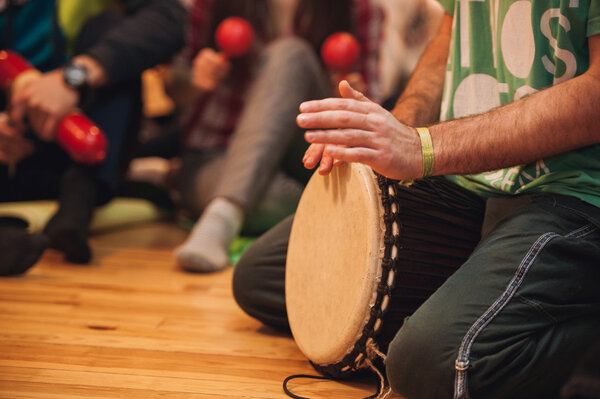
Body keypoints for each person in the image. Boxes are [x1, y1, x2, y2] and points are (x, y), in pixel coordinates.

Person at [232, 1, 600, 398]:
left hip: (569, 190)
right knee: (269, 276)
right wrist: (390, 130)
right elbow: (449, 38)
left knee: (428, 365)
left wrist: (424, 146)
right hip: (469, 178)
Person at [159, 0, 381, 273]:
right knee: (278, 201)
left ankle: (221, 212)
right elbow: (172, 86)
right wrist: (194, 79)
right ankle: (225, 210)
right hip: (214, 157)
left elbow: (375, 109)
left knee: (291, 53)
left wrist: (354, 99)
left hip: (308, 158)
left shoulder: (359, 7)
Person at [0, 0, 186, 275]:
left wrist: (76, 77)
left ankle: (78, 202)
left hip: (76, 146)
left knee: (108, 26)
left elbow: (171, 18)